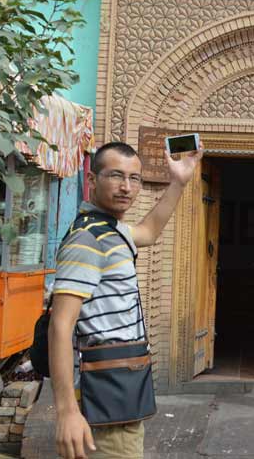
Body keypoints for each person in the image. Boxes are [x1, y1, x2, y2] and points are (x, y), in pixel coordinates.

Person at [50, 140, 203, 459]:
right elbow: (60, 326)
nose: (127, 187)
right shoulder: (87, 240)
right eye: (116, 176)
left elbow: (148, 232)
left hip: (122, 386)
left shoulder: (110, 230)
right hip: (105, 393)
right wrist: (66, 412)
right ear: (92, 180)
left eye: (135, 178)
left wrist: (178, 181)